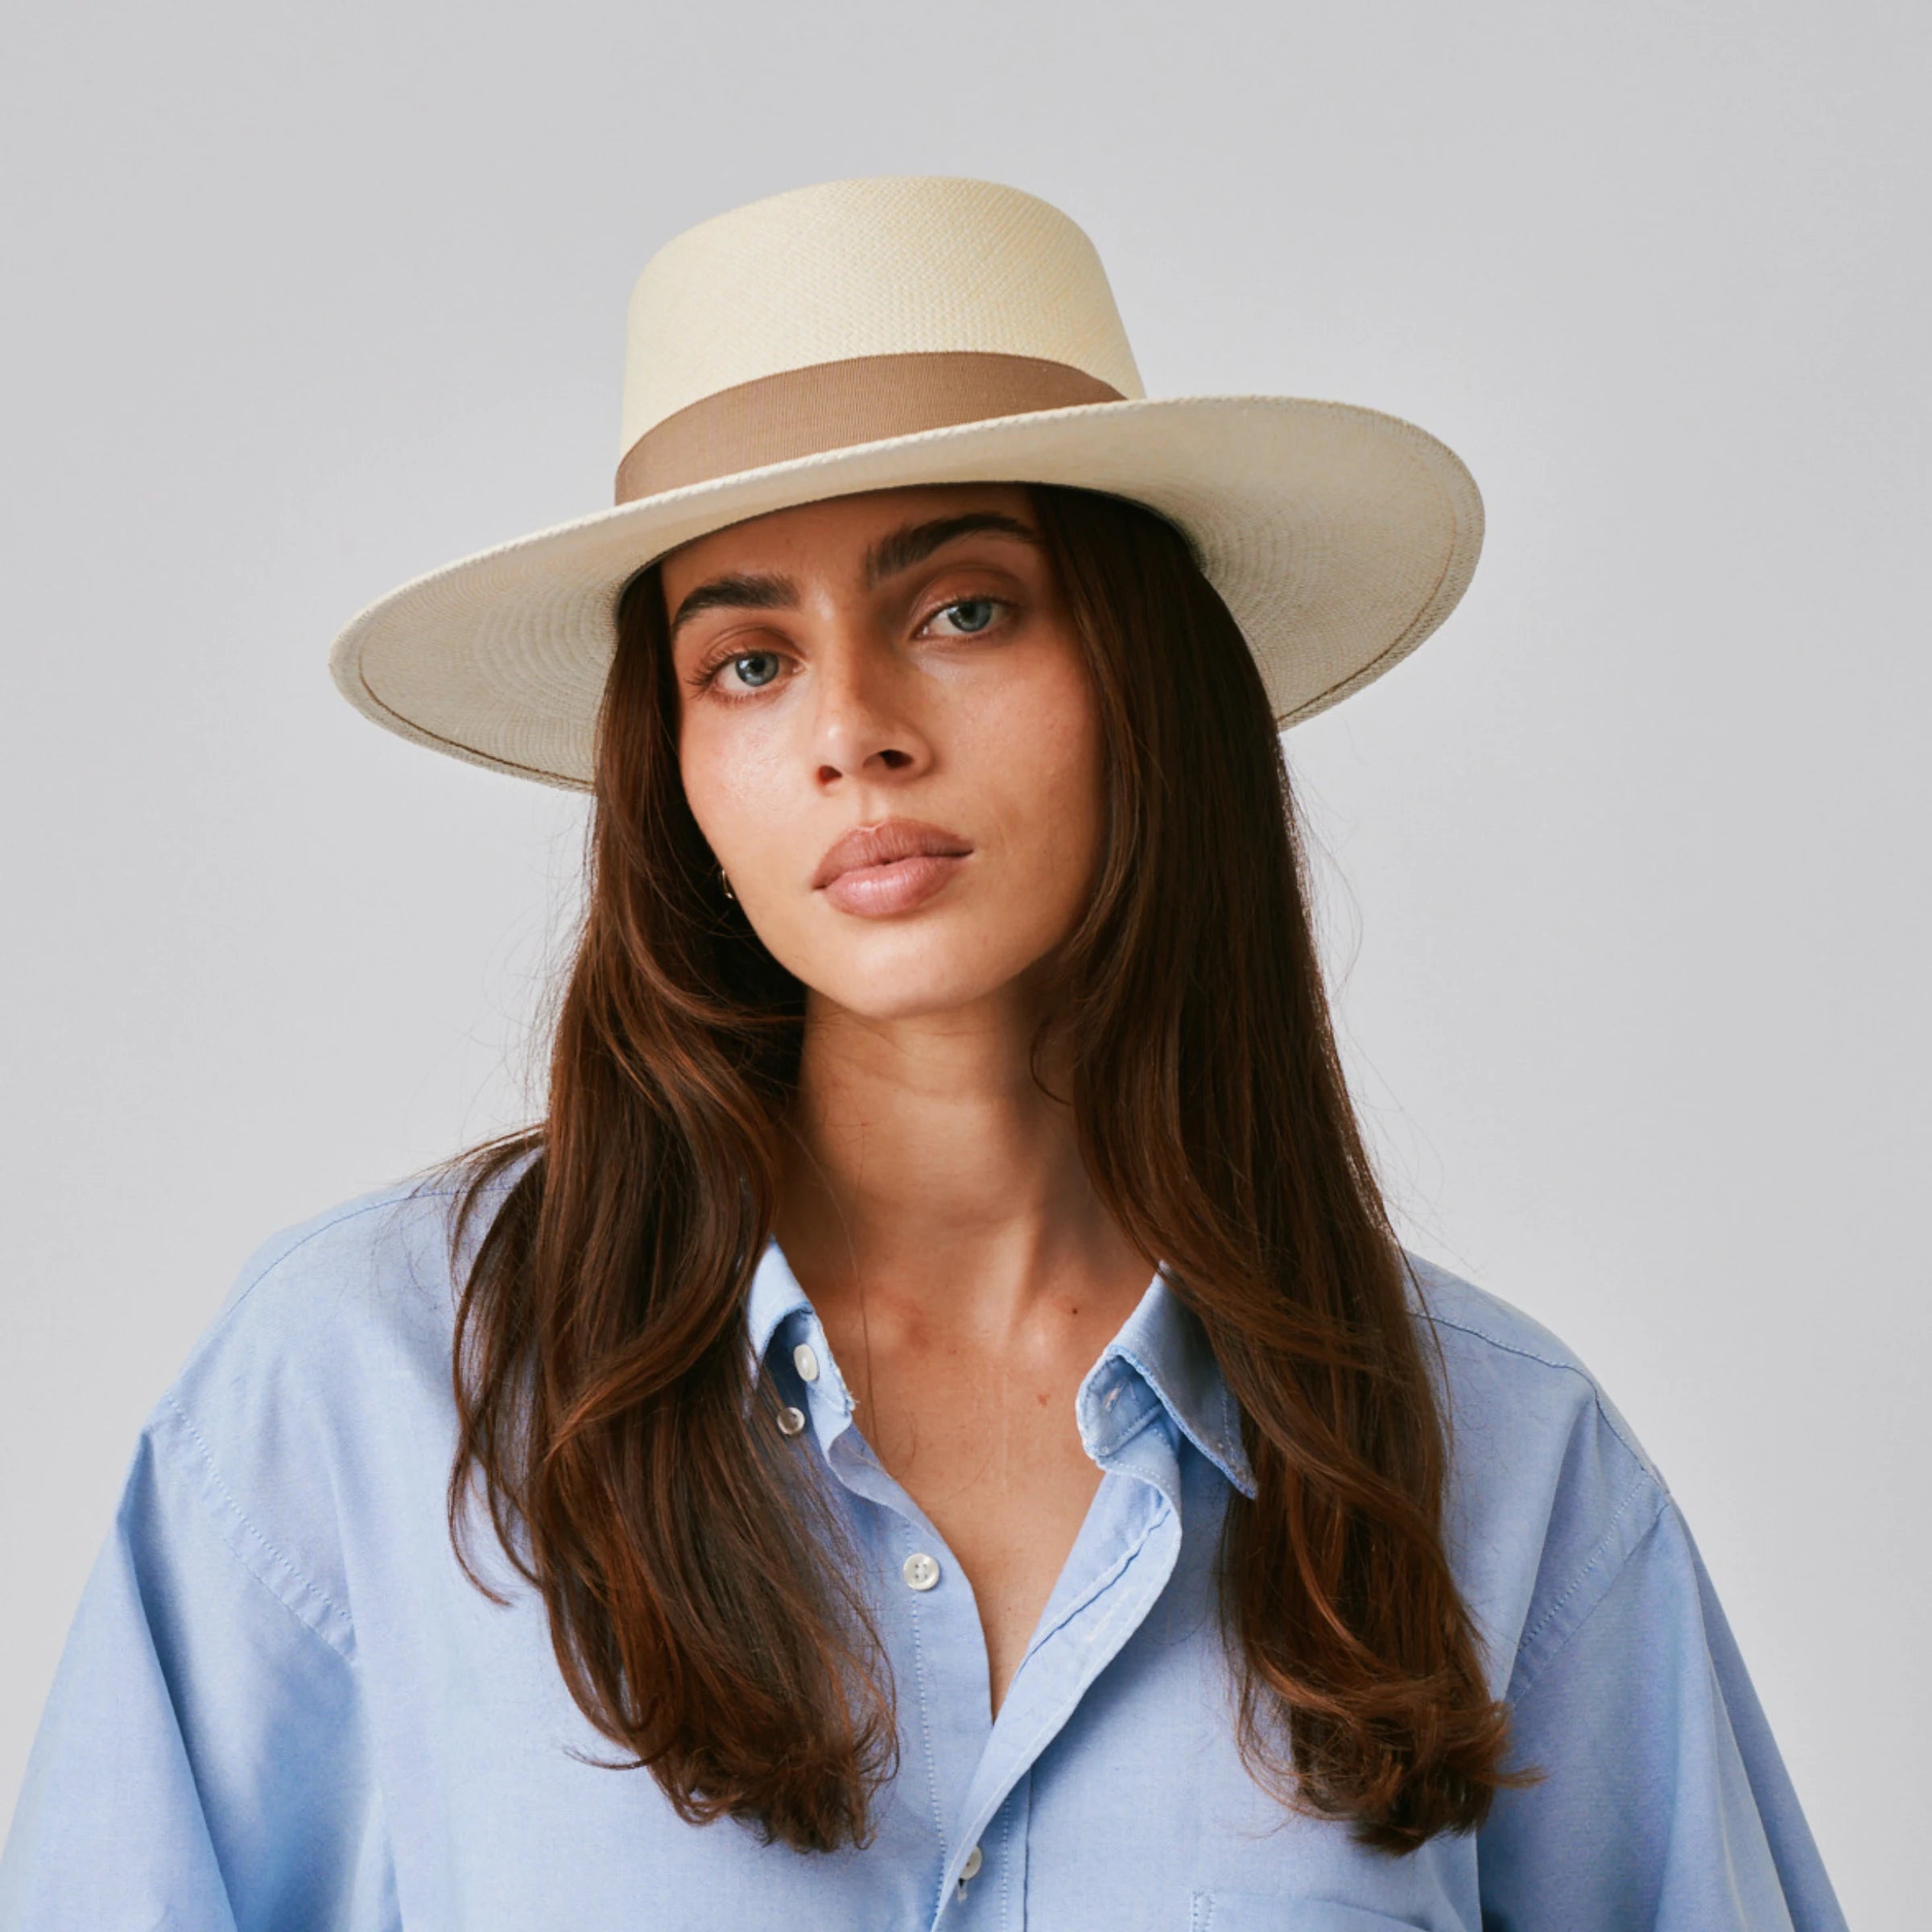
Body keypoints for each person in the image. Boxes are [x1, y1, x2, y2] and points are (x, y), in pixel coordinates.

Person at [0, 177, 1846, 1931]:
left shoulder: (1499, 1464)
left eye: (962, 608)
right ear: (679, 774)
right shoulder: (374, 1392)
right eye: (744, 661)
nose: (854, 732)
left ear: (1147, 676)